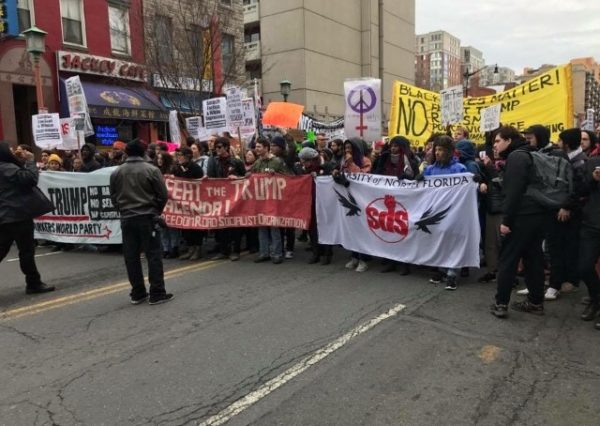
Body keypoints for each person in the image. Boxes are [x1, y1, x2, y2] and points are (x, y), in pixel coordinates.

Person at [491, 126, 549, 318]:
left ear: (508, 140)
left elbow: (514, 192)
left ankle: (501, 303)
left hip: (521, 217)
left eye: (498, 141)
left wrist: (507, 220)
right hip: (537, 215)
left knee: (508, 259)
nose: (495, 145)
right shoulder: (531, 153)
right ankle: (535, 302)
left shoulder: (516, 157)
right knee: (534, 260)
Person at [109, 139, 173, 305]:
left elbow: (113, 197)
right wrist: (155, 210)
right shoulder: (151, 170)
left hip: (127, 218)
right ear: (144, 152)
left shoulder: (116, 172)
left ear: (127, 153)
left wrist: (123, 210)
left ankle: (138, 292)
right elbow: (163, 195)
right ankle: (157, 292)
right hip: (147, 217)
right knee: (153, 255)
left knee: (131, 256)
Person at [0, 140, 55, 294]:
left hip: (6, 216)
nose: (13, 150)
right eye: (9, 149)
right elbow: (30, 179)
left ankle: (34, 281)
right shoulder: (6, 167)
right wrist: (31, 161)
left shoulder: (7, 167)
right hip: (17, 216)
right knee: (26, 251)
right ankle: (33, 282)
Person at [544, 128, 587, 300]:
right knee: (558, 246)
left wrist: (567, 206)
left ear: (567, 144)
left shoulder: (580, 162)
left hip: (572, 212)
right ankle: (559, 278)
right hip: (561, 208)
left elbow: (579, 189)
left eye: (560, 141)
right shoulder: (568, 158)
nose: (558, 144)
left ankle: (569, 280)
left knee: (568, 246)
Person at [424, 135, 467, 290]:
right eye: (436, 149)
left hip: (453, 211)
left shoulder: (459, 169)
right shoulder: (429, 169)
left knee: (453, 241)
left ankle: (453, 273)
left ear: (449, 151)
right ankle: (442, 269)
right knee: (440, 240)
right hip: (436, 211)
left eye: (441, 150)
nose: (437, 152)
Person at [206, 137, 246, 261]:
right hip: (221, 197)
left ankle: (236, 251)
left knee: (234, 225)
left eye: (219, 147)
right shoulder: (215, 162)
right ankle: (224, 250)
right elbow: (212, 177)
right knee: (221, 224)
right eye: (216, 147)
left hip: (235, 198)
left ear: (226, 148)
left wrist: (237, 177)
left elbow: (245, 178)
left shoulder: (236, 162)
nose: (217, 149)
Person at [251, 138, 289, 264]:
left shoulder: (277, 161)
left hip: (274, 199)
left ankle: (277, 254)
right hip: (261, 199)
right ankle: (264, 253)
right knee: (262, 226)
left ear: (266, 148)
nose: (256, 149)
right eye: (256, 147)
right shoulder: (257, 163)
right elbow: (251, 177)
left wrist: (276, 174)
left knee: (274, 226)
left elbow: (288, 178)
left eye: (259, 147)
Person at [299, 147, 335, 265]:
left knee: (325, 226)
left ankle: (327, 253)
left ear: (312, 159)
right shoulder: (305, 170)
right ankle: (316, 252)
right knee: (312, 228)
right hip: (310, 202)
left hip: (324, 202)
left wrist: (319, 176)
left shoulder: (326, 167)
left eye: (305, 161)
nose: (303, 164)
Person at [578, 156, 600, 328]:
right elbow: (580, 189)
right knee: (584, 267)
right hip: (592, 223)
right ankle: (596, 299)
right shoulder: (592, 162)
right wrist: (593, 178)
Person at [172, 147, 205, 261]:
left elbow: (201, 183)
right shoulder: (177, 168)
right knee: (186, 227)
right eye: (178, 155)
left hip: (195, 202)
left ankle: (198, 249)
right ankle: (190, 248)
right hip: (183, 202)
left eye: (180, 155)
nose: (178, 157)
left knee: (196, 226)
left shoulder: (195, 168)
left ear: (187, 156)